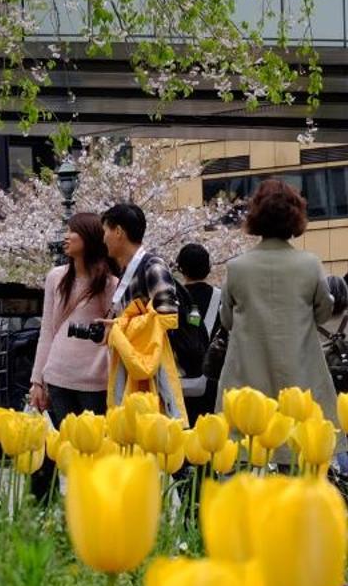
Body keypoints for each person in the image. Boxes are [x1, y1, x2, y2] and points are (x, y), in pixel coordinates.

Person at [216, 180, 337, 421]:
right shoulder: (309, 264)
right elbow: (324, 312)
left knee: (252, 442)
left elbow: (227, 320)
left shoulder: (237, 267)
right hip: (301, 369)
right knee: (303, 441)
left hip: (248, 374)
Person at [28, 212, 118, 498]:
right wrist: (37, 381)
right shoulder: (56, 278)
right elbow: (47, 331)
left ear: (89, 238)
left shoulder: (109, 283)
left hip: (95, 379)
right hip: (58, 375)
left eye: (72, 232)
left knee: (94, 450)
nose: (66, 237)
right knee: (64, 448)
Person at [99, 202, 186, 416]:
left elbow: (168, 318)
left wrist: (122, 326)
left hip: (151, 372)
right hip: (133, 369)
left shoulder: (152, 266)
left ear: (118, 232)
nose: (103, 239)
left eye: (105, 232)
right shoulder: (128, 270)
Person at [172, 243, 226, 418]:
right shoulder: (220, 299)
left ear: (180, 268)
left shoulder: (172, 299)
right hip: (210, 381)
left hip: (177, 378)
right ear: (208, 268)